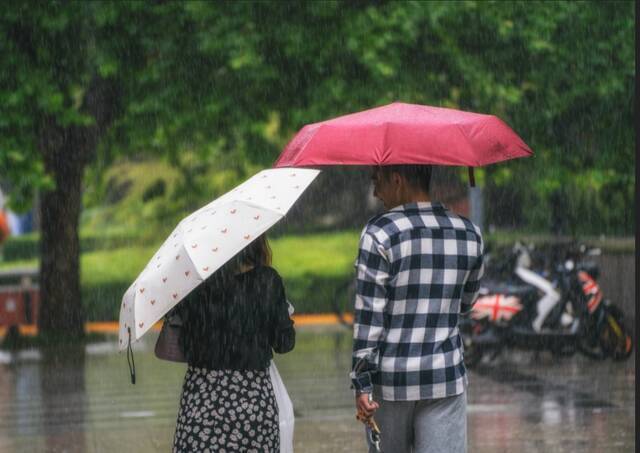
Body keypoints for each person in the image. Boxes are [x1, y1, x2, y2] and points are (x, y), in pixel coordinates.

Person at [350, 165, 484, 453]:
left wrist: (361, 382)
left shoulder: (378, 234)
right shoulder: (470, 234)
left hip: (391, 383)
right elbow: (467, 304)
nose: (376, 191)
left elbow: (368, 320)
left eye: (378, 181)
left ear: (397, 180)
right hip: (444, 378)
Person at [172, 234, 295, 452]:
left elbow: (185, 346)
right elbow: (284, 343)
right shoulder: (267, 281)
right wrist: (279, 313)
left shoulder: (194, 286)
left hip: (201, 402)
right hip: (252, 405)